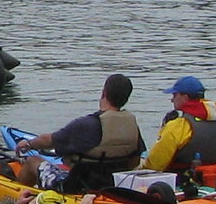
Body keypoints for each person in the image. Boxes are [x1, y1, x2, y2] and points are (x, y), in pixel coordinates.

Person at [18, 74, 146, 193]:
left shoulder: (87, 124)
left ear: (104, 92)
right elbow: (134, 163)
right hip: (112, 186)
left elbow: (48, 141)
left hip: (76, 186)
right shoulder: (132, 126)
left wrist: (29, 144)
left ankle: (19, 197)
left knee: (32, 161)